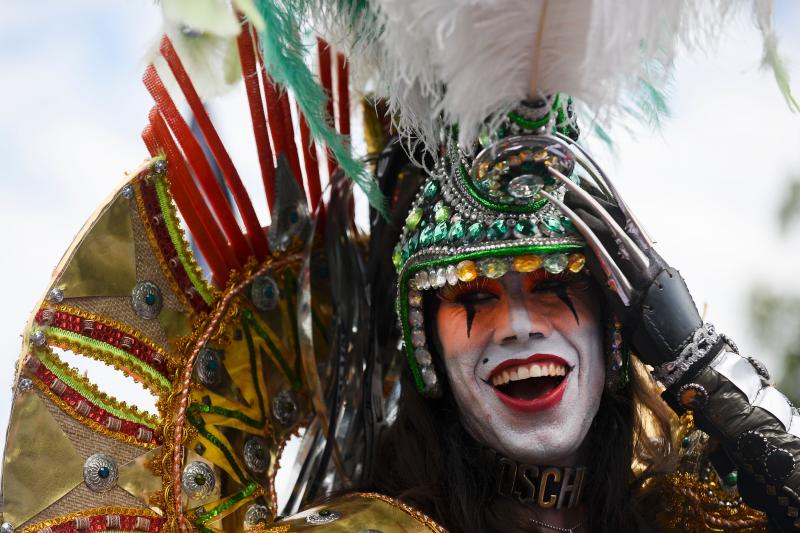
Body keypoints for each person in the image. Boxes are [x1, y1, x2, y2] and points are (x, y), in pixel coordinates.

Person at [1, 2, 799, 533]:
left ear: (618, 323)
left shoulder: (698, 511)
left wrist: (706, 369)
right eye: (471, 299)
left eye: (554, 284)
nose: (518, 324)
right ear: (429, 354)